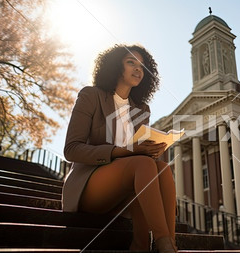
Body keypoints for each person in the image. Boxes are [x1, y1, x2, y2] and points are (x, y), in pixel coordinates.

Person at [62, 44, 177, 252]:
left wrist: (151, 149)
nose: (138, 69)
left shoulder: (141, 109)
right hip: (90, 186)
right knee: (142, 164)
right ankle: (164, 245)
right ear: (116, 66)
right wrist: (121, 152)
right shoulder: (91, 95)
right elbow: (71, 149)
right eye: (131, 62)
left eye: (142, 66)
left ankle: (158, 244)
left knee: (162, 168)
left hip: (127, 189)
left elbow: (139, 151)